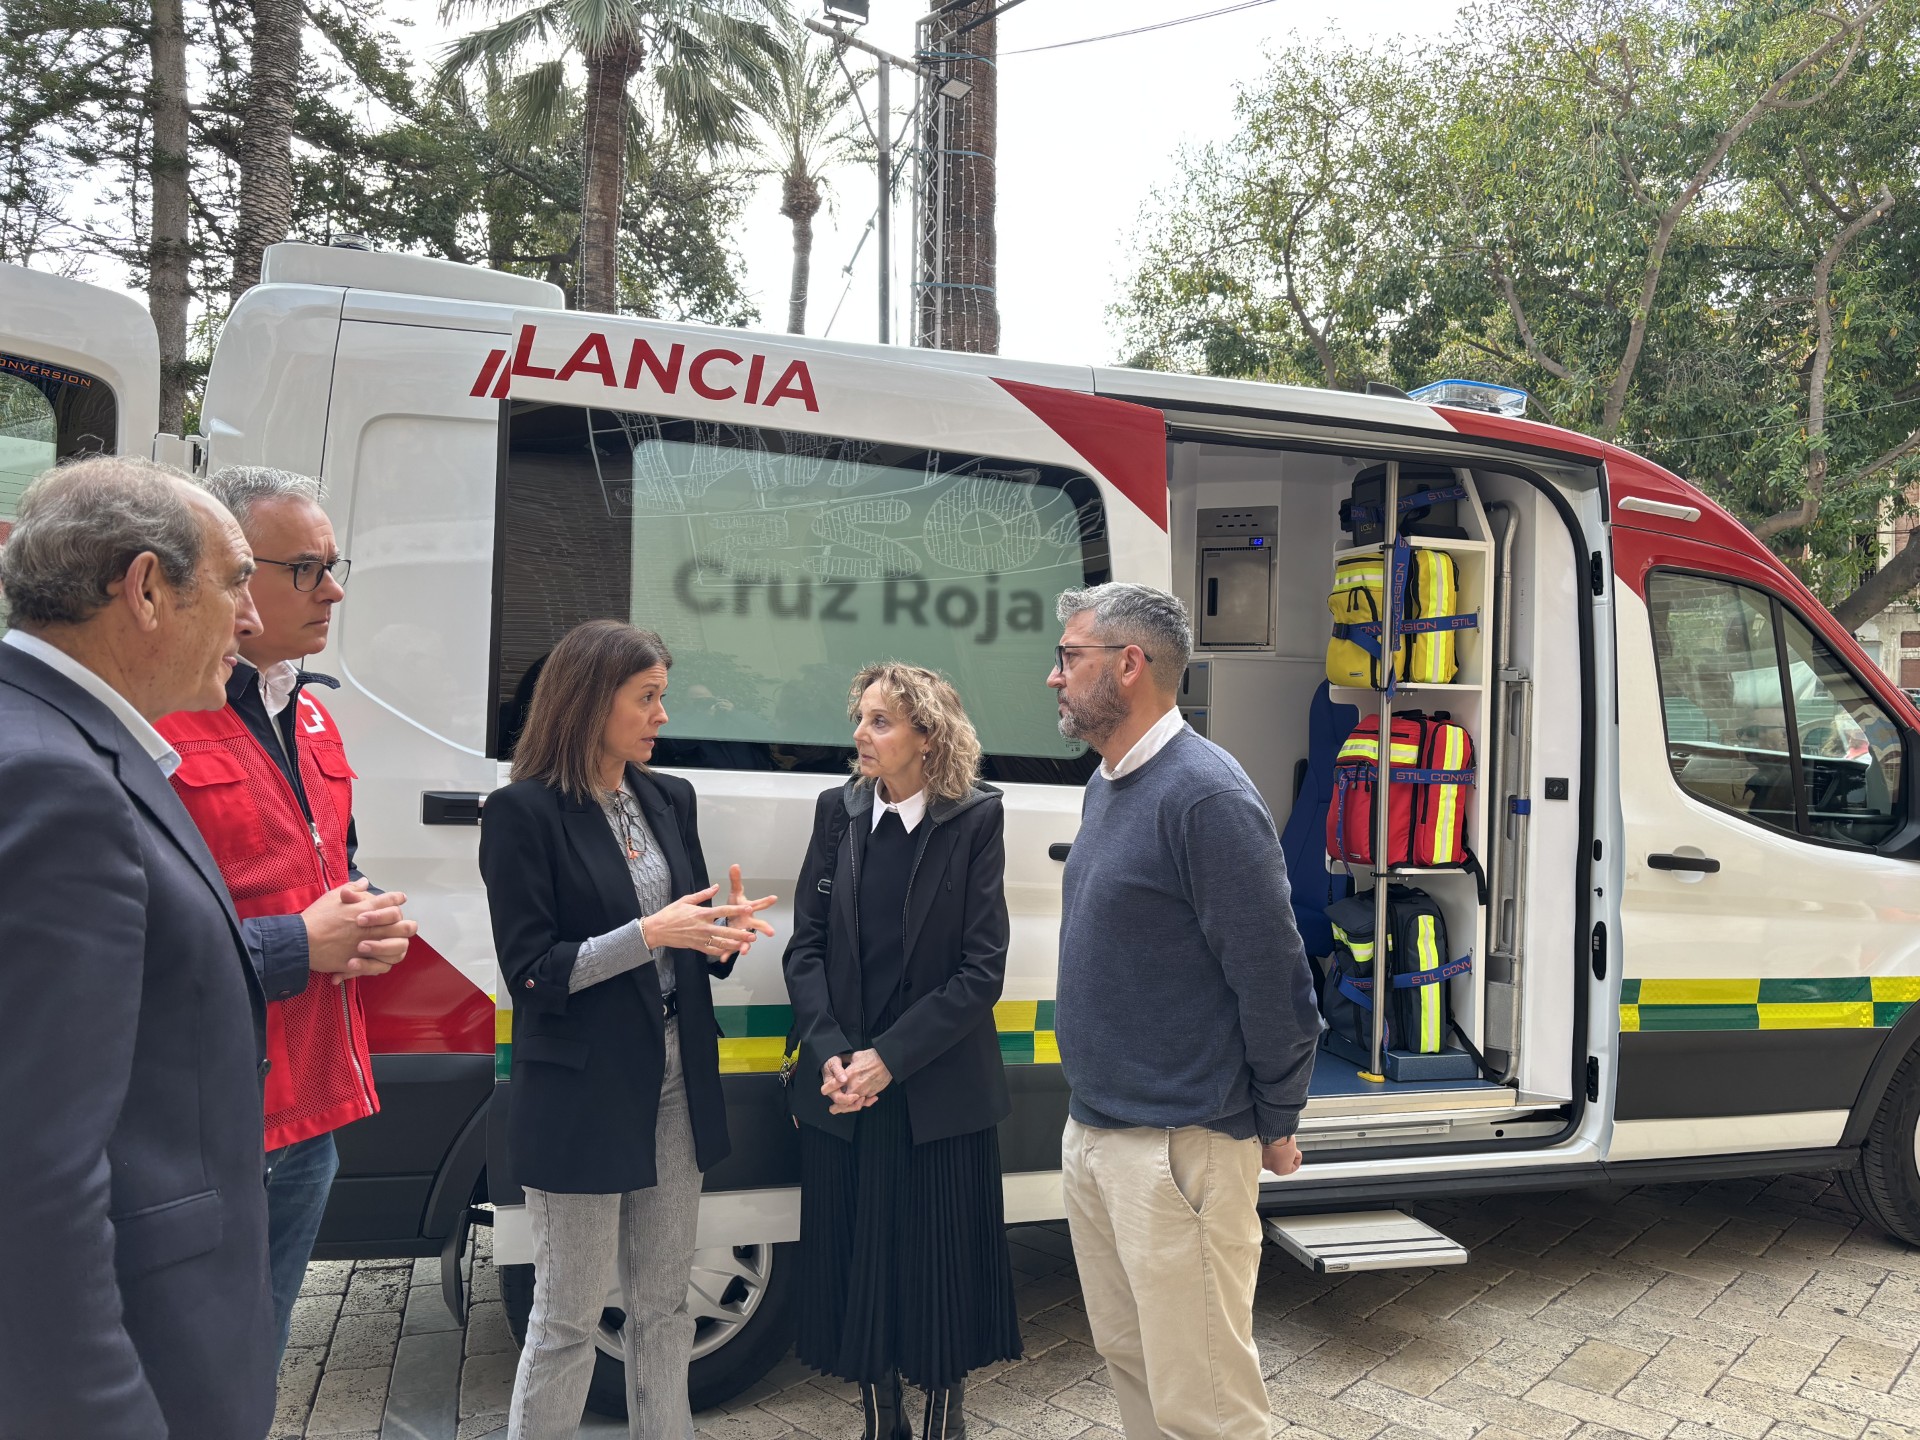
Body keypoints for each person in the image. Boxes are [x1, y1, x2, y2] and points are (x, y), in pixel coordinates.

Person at [0, 456, 277, 1439]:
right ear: (147, 589)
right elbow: (33, 1174)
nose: (253, 618)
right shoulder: (58, 783)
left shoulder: (54, 739)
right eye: (239, 578)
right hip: (140, 1360)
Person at [479, 619, 776, 1440]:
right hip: (581, 1088)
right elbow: (533, 973)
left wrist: (716, 935)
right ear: (588, 702)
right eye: (647, 699)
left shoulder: (667, 796)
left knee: (662, 1305)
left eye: (663, 698)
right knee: (570, 1316)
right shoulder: (520, 814)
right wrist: (652, 935)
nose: (662, 717)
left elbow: (685, 930)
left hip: (678, 1073)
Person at [155, 465, 419, 1358]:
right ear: (224, 569)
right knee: (188, 1379)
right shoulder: (156, 723)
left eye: (334, 564)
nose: (333, 588)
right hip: (202, 1122)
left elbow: (326, 868)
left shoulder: (310, 716)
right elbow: (139, 937)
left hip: (306, 1109)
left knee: (252, 1374)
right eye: (305, 568)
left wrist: (362, 915)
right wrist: (299, 944)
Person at [1048, 582, 1319, 1440]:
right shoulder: (1111, 782)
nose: (1054, 677)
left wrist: (1273, 1117)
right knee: (1135, 1368)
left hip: (1180, 1146)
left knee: (1205, 1402)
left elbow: (1275, 979)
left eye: (1069, 657)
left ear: (1129, 666)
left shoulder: (1205, 796)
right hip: (1099, 1133)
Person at [783, 663, 1022, 1440]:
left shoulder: (976, 819)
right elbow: (806, 950)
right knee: (862, 1259)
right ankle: (881, 1418)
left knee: (941, 1262)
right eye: (861, 716)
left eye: (881, 721)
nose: (861, 733)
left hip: (935, 1082)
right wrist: (829, 1053)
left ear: (928, 737)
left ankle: (946, 1415)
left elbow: (981, 971)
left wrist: (890, 1057)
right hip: (845, 1083)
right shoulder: (837, 812)